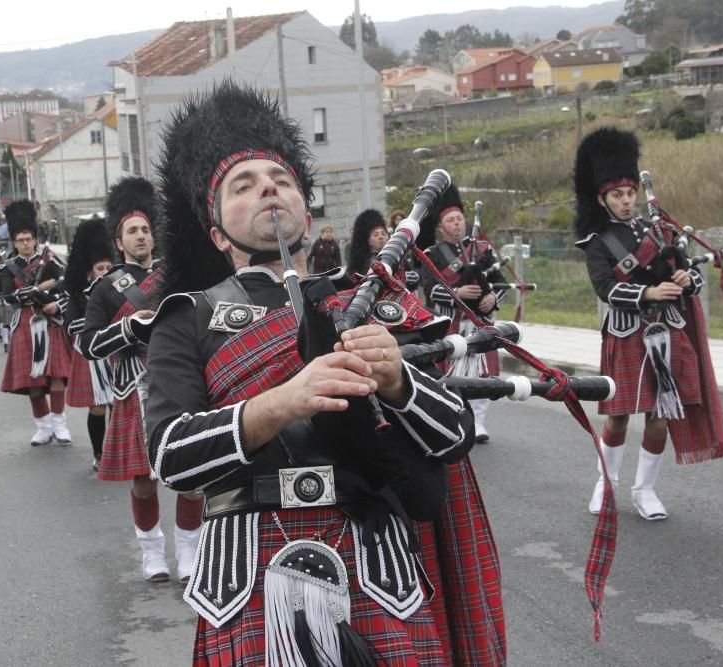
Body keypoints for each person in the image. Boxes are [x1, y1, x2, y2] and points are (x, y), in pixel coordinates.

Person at [144, 80, 475, 665]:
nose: (268, 188)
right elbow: (170, 457)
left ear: (306, 206)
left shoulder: (372, 300)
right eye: (242, 186)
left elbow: (455, 436)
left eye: (282, 180)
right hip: (247, 572)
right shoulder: (187, 318)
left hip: (378, 563)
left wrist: (398, 381)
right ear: (218, 232)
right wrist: (283, 402)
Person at [573, 127, 723, 520]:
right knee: (618, 415)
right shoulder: (598, 241)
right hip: (628, 334)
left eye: (629, 194)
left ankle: (645, 490)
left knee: (660, 417)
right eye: (617, 195)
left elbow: (691, 278)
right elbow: (605, 289)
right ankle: (605, 484)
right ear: (602, 198)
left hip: (668, 334)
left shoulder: (660, 230)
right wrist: (647, 294)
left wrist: (684, 280)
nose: (626, 201)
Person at [79, 176, 205, 584]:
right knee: (143, 479)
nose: (140, 236)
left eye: (146, 230)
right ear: (119, 241)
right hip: (132, 387)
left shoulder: (177, 274)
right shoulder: (104, 288)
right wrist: (129, 329)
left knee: (190, 473)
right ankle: (151, 552)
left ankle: (189, 548)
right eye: (132, 231)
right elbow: (88, 345)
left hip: (177, 380)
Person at [419, 185, 509, 444]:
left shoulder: (481, 250)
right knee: (452, 374)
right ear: (440, 226)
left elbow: (501, 283)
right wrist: (458, 293)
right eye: (451, 220)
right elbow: (430, 290)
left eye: (460, 218)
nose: (457, 224)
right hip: (452, 323)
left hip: (480, 321)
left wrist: (493, 298)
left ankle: (479, 421)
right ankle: (457, 417)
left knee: (481, 373)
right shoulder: (432, 255)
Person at [0, 199, 74, 446]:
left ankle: (60, 425)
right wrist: (31, 291)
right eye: (20, 239)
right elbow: (7, 296)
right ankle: (43, 427)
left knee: (55, 376)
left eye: (28, 238)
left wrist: (49, 292)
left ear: (34, 238)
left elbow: (65, 281)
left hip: (49, 319)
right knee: (33, 380)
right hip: (25, 324)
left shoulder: (48, 259)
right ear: (14, 241)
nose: (25, 243)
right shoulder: (8, 268)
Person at [62, 217, 117, 473]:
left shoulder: (121, 289)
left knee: (120, 404)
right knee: (97, 407)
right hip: (91, 356)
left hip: (117, 353)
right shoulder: (77, 295)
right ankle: (99, 452)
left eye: (108, 267)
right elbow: (70, 326)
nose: (105, 272)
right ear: (90, 270)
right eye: (99, 268)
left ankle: (121, 450)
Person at [345, 208, 389, 277]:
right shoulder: (365, 263)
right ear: (369, 241)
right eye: (376, 235)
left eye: (383, 234)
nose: (381, 237)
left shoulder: (396, 256)